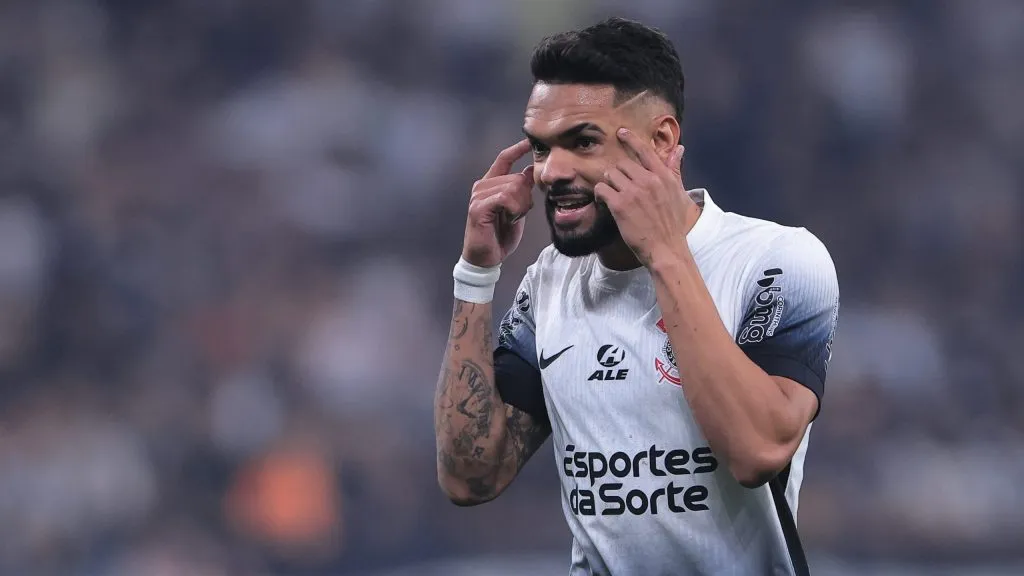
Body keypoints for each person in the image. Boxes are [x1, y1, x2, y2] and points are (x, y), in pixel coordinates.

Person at [434, 17, 839, 576]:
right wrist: (476, 275)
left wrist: (665, 254)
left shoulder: (778, 260)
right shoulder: (549, 282)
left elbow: (756, 451)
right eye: (540, 147)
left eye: (583, 142)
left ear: (662, 141)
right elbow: (470, 477)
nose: (552, 171)